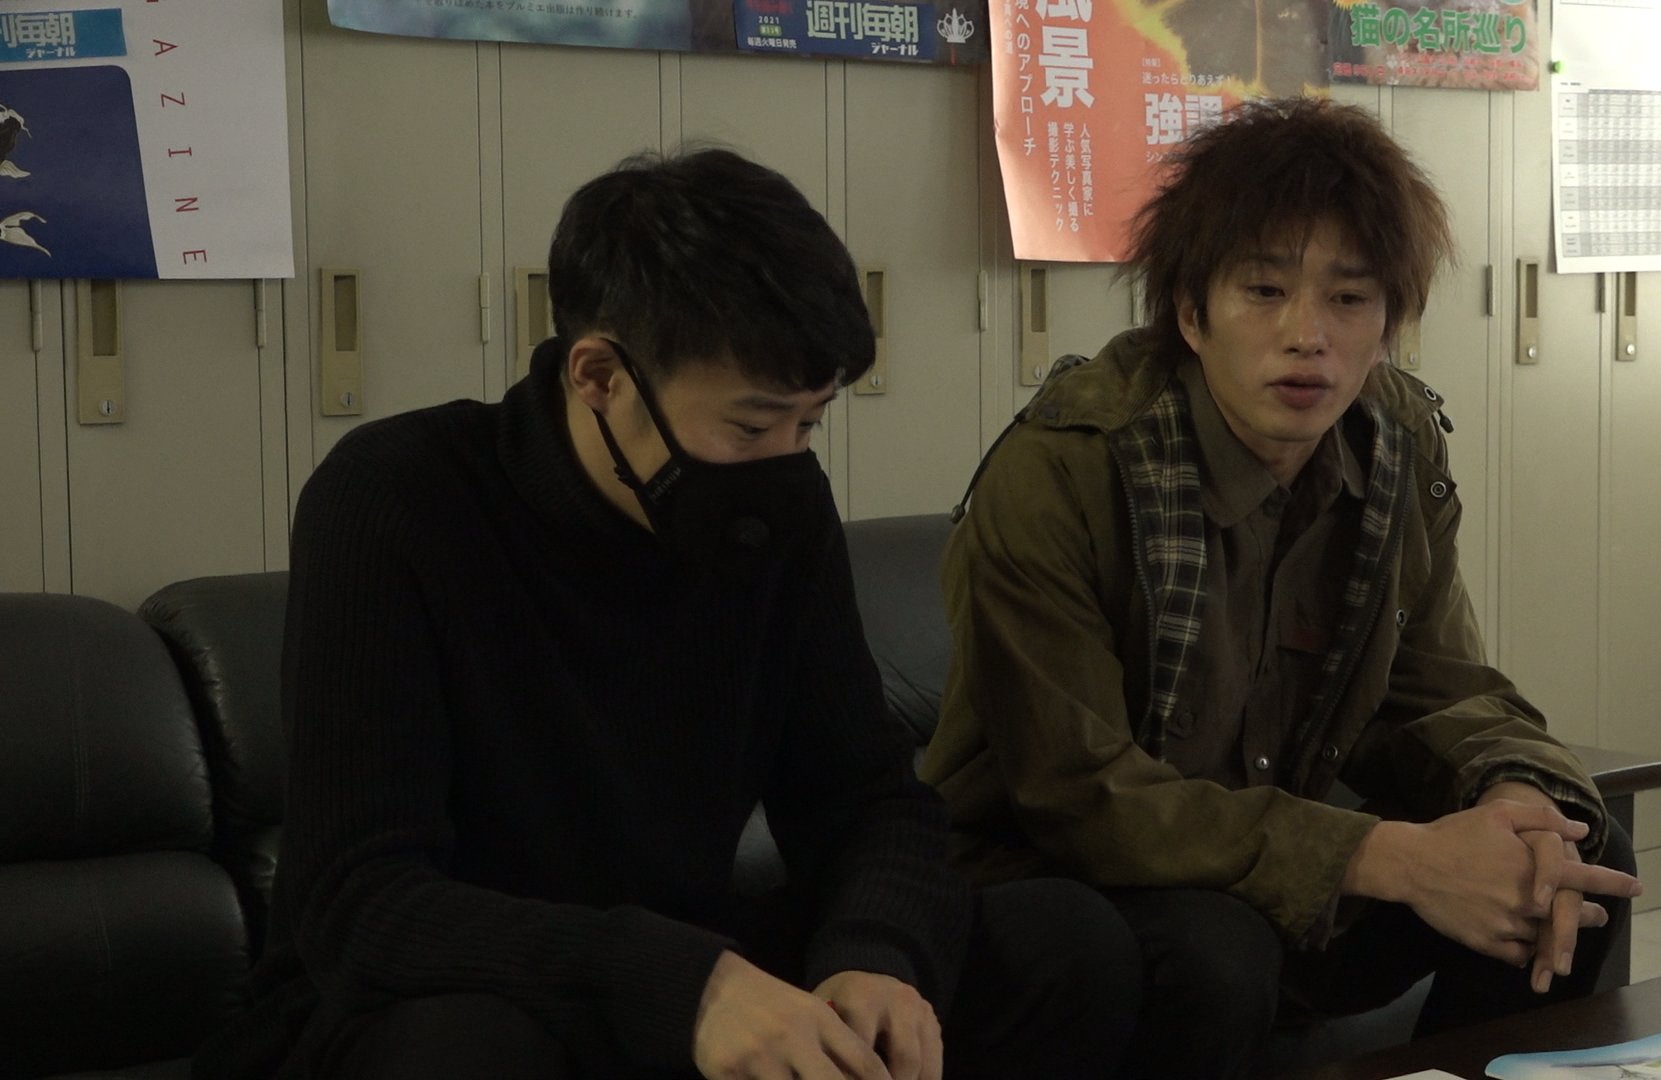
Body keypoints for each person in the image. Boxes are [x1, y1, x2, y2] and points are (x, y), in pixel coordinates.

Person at [194, 149, 1135, 1080]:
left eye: (809, 423)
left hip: (687, 969)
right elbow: (360, 906)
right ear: (599, 375)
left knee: (1061, 943)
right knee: (470, 1053)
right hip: (443, 997)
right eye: (750, 425)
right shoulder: (395, 499)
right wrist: (681, 984)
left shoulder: (780, 507)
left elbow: (868, 799)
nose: (786, 458)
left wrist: (875, 955)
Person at [921, 97, 1645, 1079]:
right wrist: (1382, 856)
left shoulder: (1392, 445)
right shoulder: (1070, 466)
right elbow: (1079, 794)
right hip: (1056, 883)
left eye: (1349, 299)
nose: (1308, 336)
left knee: (1573, 862)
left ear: (1388, 325)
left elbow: (1440, 692)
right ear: (1191, 313)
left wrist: (1518, 799)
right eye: (1264, 291)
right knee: (1218, 951)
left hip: (1274, 870)